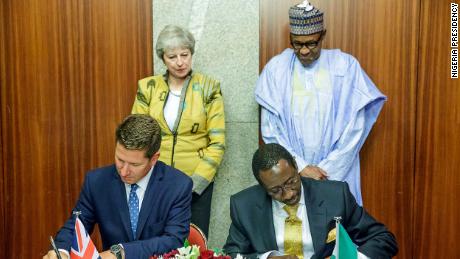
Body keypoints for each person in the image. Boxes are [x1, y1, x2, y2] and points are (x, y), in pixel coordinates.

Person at [255, 0, 386, 205]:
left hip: (338, 173)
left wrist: (328, 170)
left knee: (335, 228)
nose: (304, 51)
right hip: (291, 177)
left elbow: (356, 128)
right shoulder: (276, 70)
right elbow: (271, 130)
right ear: (290, 39)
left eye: (311, 43)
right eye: (297, 44)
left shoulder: (345, 66)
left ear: (323, 35)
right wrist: (300, 167)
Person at [43, 114, 193, 259]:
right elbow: (77, 225)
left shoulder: (178, 186)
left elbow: (174, 241)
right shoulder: (97, 182)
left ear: (154, 158)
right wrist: (61, 250)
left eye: (134, 164)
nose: (124, 171)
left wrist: (121, 252)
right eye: (120, 159)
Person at [223, 143, 398, 259]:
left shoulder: (335, 195)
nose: (288, 194)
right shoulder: (244, 206)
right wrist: (266, 258)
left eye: (291, 181)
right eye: (275, 190)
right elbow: (231, 254)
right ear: (262, 187)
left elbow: (383, 238)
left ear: (296, 166)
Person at [131, 24, 225, 237]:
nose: (180, 62)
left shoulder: (210, 87)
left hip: (196, 183)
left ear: (192, 53)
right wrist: (146, 176)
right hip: (155, 180)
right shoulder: (148, 88)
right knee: (155, 242)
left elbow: (217, 142)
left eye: (185, 54)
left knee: (193, 245)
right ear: (162, 58)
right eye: (172, 57)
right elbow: (137, 137)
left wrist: (196, 182)